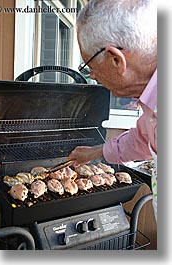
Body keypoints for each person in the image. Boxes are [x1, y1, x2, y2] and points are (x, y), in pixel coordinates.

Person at [68, 0, 157, 221]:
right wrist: (96, 152)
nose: (94, 77)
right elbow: (141, 140)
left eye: (90, 67)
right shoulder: (151, 102)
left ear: (116, 59)